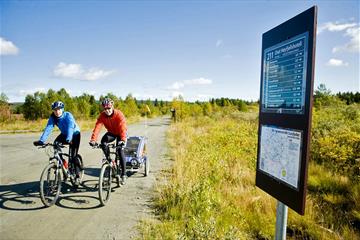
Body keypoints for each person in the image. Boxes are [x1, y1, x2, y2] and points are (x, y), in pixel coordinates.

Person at [33, 101, 82, 184]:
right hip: (64, 134)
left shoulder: (68, 115)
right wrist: (42, 141)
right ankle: (63, 163)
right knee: (56, 144)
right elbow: (48, 128)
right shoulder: (53, 117)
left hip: (74, 134)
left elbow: (70, 126)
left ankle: (77, 175)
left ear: (62, 109)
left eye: (59, 109)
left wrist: (69, 138)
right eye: (55, 110)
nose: (57, 111)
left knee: (73, 156)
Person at [89, 97, 127, 184]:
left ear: (112, 107)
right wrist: (93, 140)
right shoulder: (102, 115)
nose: (107, 110)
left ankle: (124, 174)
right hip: (111, 133)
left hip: (121, 134)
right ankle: (109, 160)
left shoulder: (118, 114)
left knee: (120, 151)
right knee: (103, 142)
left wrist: (123, 140)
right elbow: (97, 127)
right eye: (105, 108)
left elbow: (123, 127)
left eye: (109, 108)